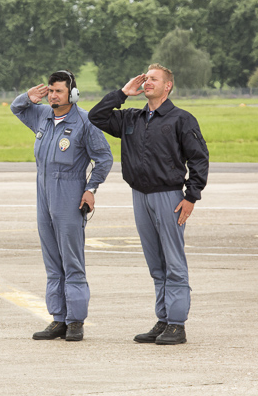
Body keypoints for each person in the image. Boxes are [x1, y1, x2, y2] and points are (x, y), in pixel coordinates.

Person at [89, 63, 209, 346]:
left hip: (169, 196)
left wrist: (191, 196)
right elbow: (97, 116)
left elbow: (199, 159)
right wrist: (123, 93)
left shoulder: (182, 119)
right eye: (145, 79)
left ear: (168, 86)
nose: (147, 82)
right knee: (156, 263)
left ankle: (177, 324)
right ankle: (164, 318)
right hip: (139, 196)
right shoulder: (131, 118)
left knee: (173, 262)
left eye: (154, 79)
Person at [11, 70, 113, 342]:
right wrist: (28, 97)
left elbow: (104, 158)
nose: (54, 95)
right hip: (43, 194)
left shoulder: (85, 122)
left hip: (69, 194)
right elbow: (17, 108)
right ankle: (58, 318)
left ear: (73, 94)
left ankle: (76, 321)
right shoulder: (42, 115)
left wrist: (91, 189)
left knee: (72, 260)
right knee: (52, 260)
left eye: (59, 91)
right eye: (51, 91)